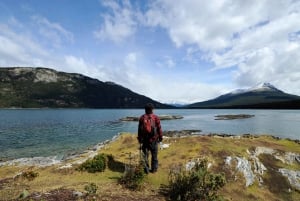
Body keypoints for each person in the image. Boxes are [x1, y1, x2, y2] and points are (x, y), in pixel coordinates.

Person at [138, 103, 163, 173]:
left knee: (145, 156)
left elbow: (139, 130)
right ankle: (154, 170)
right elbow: (159, 128)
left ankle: (146, 170)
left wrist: (140, 139)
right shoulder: (155, 117)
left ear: (145, 109)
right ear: (152, 109)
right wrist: (160, 137)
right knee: (154, 156)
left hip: (145, 140)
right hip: (154, 140)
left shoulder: (142, 118)